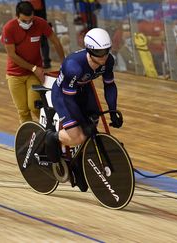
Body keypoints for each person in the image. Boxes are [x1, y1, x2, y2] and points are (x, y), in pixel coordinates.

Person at [45, 28, 123, 191]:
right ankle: (53, 137)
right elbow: (68, 98)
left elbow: (109, 85)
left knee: (91, 131)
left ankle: (80, 165)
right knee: (78, 136)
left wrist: (113, 110)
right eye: (99, 52)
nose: (103, 57)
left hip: (83, 91)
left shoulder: (108, 61)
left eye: (106, 51)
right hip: (63, 96)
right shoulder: (74, 66)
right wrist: (80, 121)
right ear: (89, 50)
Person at [1, 1, 65, 123]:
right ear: (17, 16)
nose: (28, 23)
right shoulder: (9, 28)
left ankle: (50, 131)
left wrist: (64, 62)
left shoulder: (40, 23)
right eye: (24, 21)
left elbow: (56, 41)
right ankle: (28, 140)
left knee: (35, 106)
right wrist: (33, 68)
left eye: (30, 20)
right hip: (15, 75)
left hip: (33, 74)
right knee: (23, 111)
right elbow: (12, 55)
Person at [29, 0, 51, 69]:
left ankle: (46, 61)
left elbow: (38, 7)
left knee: (42, 40)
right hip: (31, 13)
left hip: (38, 13)